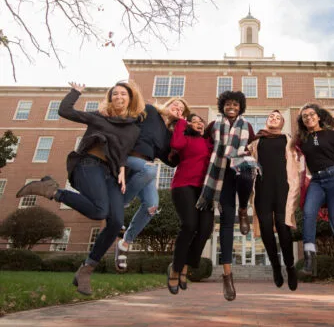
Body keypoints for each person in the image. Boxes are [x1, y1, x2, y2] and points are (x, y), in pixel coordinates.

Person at [16, 81, 144, 295]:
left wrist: (122, 168)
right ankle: (54, 191)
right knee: (100, 211)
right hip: (88, 165)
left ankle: (86, 270)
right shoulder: (99, 116)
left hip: (111, 175)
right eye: (115, 94)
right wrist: (76, 92)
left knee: (115, 223)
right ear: (110, 98)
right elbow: (65, 110)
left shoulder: (133, 128)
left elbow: (123, 152)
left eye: (123, 94)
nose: (119, 97)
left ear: (130, 99)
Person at [195, 90, 260, 301]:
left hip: (238, 172)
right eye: (227, 105)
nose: (231, 108)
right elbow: (201, 145)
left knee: (248, 172)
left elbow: (255, 146)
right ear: (222, 106)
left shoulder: (247, 126)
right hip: (220, 177)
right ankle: (227, 275)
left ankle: (244, 208)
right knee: (225, 223)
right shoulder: (213, 125)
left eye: (235, 105)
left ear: (241, 107)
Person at [114, 97, 189, 272]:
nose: (177, 108)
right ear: (168, 104)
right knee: (150, 170)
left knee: (152, 206)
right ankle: (121, 203)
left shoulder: (168, 135)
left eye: (181, 110)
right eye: (175, 105)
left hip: (145, 168)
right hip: (128, 158)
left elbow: (172, 162)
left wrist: (182, 131)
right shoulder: (150, 110)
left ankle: (124, 244)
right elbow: (127, 124)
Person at [294, 103, 334, 294]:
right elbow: (292, 152)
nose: (308, 118)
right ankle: (309, 259)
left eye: (311, 114)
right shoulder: (302, 140)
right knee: (308, 212)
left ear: (319, 116)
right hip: (316, 180)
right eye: (304, 116)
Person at [248, 110, 300, 291]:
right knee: (266, 229)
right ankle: (276, 267)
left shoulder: (288, 139)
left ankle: (290, 266)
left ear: (282, 123)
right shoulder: (256, 141)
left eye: (278, 118)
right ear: (266, 120)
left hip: (282, 188)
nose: (274, 118)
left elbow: (297, 157)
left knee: (283, 228)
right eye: (271, 116)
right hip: (262, 188)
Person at [166, 113, 214, 294]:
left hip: (204, 190)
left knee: (205, 229)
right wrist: (180, 122)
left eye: (200, 121)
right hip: (184, 185)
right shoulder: (185, 139)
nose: (198, 123)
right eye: (193, 122)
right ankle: (176, 269)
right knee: (189, 225)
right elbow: (175, 144)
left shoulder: (210, 143)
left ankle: (185, 264)